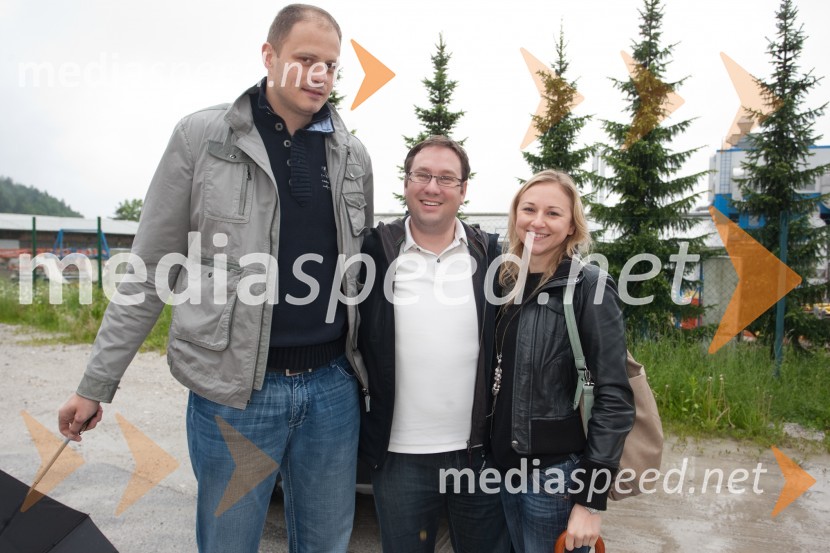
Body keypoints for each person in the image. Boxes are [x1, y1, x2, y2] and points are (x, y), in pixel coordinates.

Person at [57, 5, 373, 553]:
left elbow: (361, 273)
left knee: (327, 545)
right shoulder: (203, 137)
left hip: (331, 392)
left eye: (330, 64)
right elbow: (151, 268)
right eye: (304, 59)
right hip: (234, 396)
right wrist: (95, 385)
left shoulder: (353, 155)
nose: (319, 75)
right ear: (269, 57)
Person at [357, 136, 510, 553]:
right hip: (399, 454)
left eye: (446, 178)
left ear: (463, 190)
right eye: (422, 175)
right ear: (406, 183)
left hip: (478, 454)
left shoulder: (491, 255)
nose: (432, 187)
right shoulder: (373, 253)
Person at [490, 170, 634, 553]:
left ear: (572, 226)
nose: (537, 222)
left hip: (556, 478)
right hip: (504, 471)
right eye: (529, 209)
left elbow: (614, 398)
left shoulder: (589, 287)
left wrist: (590, 499)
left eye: (553, 213)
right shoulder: (505, 283)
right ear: (515, 215)